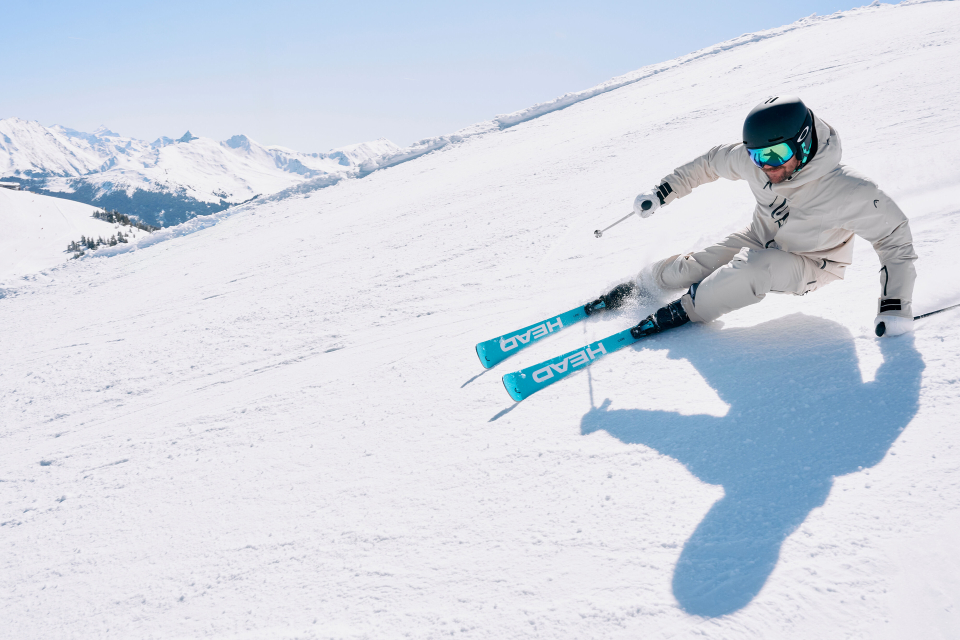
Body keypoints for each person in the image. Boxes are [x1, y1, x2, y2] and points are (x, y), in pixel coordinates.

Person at [589, 96, 917, 339]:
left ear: (802, 142)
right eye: (758, 156)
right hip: (759, 237)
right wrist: (662, 192)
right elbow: (710, 163)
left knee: (751, 270)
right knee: (690, 268)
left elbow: (895, 240)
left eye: (776, 154)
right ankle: (641, 286)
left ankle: (688, 309)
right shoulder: (756, 163)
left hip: (812, 263)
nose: (767, 166)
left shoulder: (849, 189)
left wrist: (895, 304)